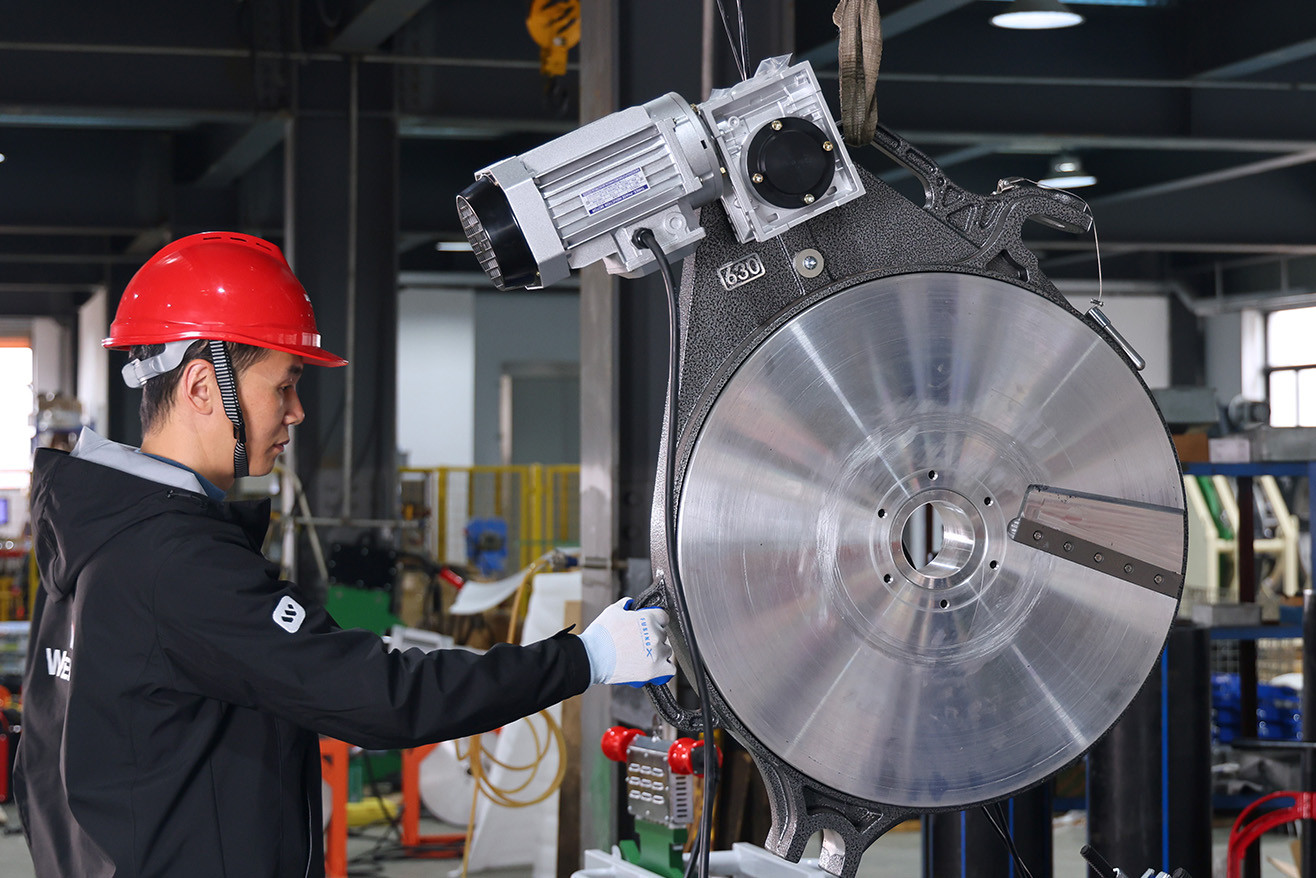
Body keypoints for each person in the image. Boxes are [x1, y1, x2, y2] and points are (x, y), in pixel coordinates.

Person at [14, 231, 674, 877]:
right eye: (284, 385)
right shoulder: (177, 561)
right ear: (202, 386)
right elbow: (388, 698)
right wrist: (588, 657)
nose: (297, 412)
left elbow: (40, 764)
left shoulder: (94, 533)